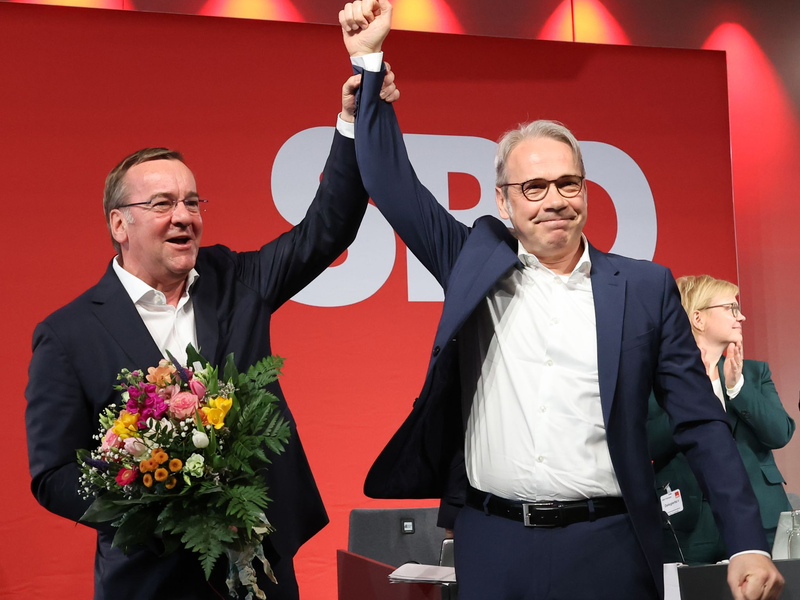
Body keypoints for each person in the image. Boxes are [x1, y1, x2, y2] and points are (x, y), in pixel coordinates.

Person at [337, 1, 784, 599]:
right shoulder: (474, 263)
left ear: (586, 193)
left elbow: (702, 423)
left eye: (567, 183)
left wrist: (747, 542)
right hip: (494, 542)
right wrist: (369, 62)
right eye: (533, 187)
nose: (553, 200)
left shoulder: (646, 288)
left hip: (611, 544)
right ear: (504, 201)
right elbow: (393, 186)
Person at [24, 72, 399, 600]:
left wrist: (354, 123)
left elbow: (327, 230)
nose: (184, 216)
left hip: (260, 575)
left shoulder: (236, 281)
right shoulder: (67, 334)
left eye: (192, 202)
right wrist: (148, 488)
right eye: (162, 204)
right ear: (118, 224)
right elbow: (54, 474)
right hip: (149, 580)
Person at [648, 275, 794, 563]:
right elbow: (649, 443)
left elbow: (780, 434)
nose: (741, 316)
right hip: (690, 521)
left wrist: (736, 389)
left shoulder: (754, 372)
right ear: (698, 319)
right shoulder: (657, 379)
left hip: (762, 517)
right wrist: (694, 394)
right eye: (730, 308)